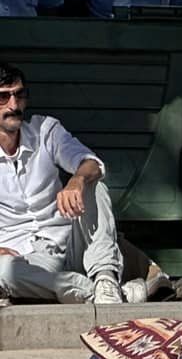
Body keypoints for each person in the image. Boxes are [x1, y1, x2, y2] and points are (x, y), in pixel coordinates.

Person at [0, 65, 137, 304]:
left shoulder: (45, 130)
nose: (14, 105)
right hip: (27, 261)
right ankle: (97, 293)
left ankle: (105, 278)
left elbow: (91, 163)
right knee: (2, 271)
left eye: (19, 95)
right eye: (3, 96)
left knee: (94, 184)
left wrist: (77, 179)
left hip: (73, 246)